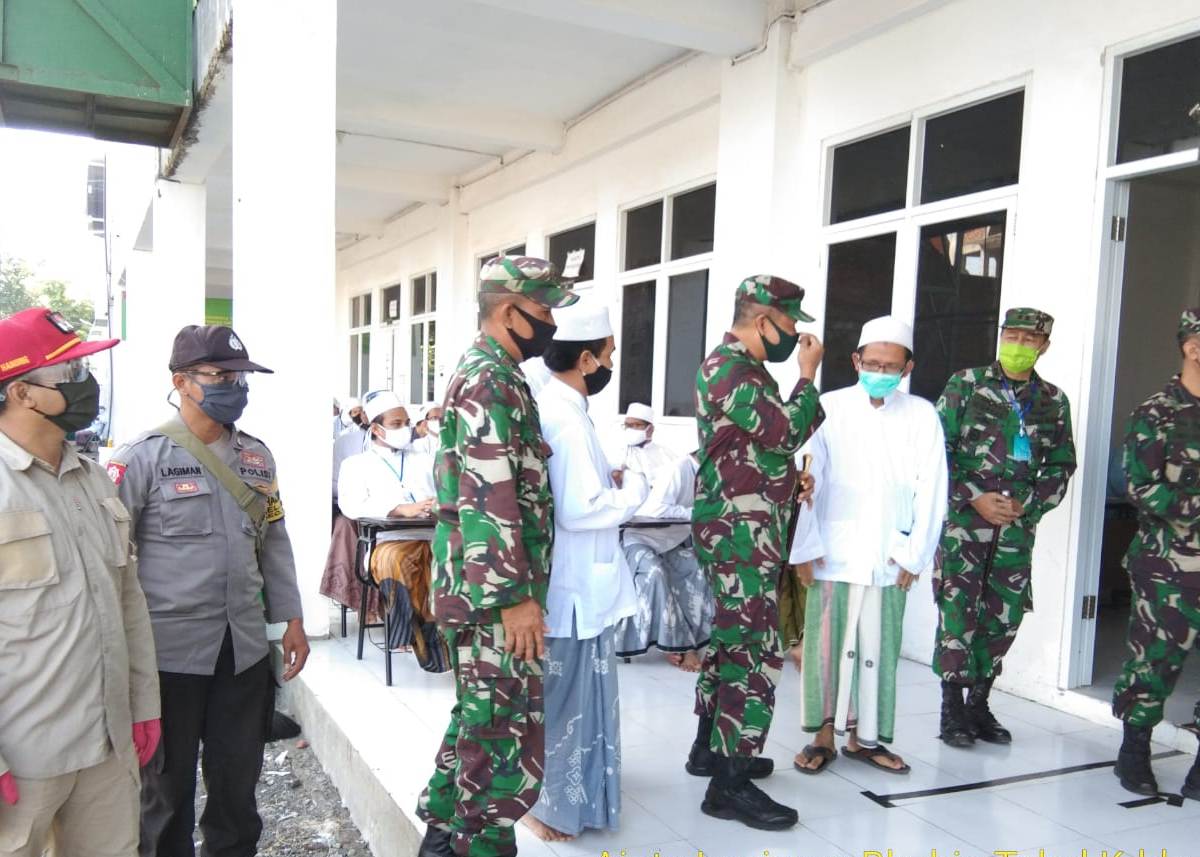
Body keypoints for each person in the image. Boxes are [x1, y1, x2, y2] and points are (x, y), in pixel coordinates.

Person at [108, 324, 310, 857]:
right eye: (220, 375)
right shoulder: (141, 458)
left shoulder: (257, 458)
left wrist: (291, 618)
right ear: (181, 381)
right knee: (165, 791)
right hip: (167, 656)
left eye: (240, 376)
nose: (234, 386)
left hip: (242, 652)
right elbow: (111, 559)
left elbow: (274, 541)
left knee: (237, 786)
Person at [415, 256, 578, 857]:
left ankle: (441, 837)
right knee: (500, 734)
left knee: (478, 716)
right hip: (494, 596)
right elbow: (489, 499)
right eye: (544, 310)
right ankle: (478, 845)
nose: (551, 323)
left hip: (484, 588)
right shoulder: (490, 380)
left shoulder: (499, 373)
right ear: (509, 311)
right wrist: (514, 601)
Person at [0, 308, 160, 857]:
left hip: (106, 745)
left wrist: (144, 703)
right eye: (70, 373)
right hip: (23, 757)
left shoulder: (92, 479)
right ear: (22, 392)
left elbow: (128, 602)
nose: (87, 384)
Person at [688, 275, 824, 831]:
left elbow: (758, 448)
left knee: (732, 640)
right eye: (790, 324)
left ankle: (709, 750)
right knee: (754, 651)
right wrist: (808, 377)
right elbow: (786, 431)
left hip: (744, 529)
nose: (796, 335)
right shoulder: (732, 370)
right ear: (763, 320)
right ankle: (730, 784)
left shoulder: (745, 369)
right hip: (738, 536)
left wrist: (786, 481)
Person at [790, 316, 947, 776]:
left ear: (907, 368)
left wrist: (916, 553)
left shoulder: (921, 414)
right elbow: (808, 477)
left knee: (879, 647)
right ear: (856, 361)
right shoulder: (829, 406)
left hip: (890, 553)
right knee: (826, 649)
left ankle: (865, 739)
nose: (880, 371)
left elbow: (933, 486)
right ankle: (823, 737)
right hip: (832, 550)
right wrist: (804, 546)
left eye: (890, 366)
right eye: (872, 363)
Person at [525, 301, 648, 842]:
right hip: (573, 587)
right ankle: (549, 807)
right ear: (586, 360)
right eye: (609, 354)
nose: (611, 363)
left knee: (578, 696)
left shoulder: (565, 409)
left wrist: (608, 482)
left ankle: (580, 798)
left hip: (577, 583)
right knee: (567, 701)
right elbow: (579, 510)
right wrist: (633, 492)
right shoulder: (567, 418)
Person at [933, 307, 1076, 748]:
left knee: (1003, 616)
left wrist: (1025, 506)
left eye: (1029, 339)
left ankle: (979, 703)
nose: (1018, 345)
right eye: (1012, 335)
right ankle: (952, 709)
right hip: (965, 526)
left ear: (1044, 346)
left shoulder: (1053, 401)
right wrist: (973, 495)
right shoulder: (965, 384)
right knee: (958, 614)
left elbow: (1061, 465)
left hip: (1015, 530)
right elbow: (936, 452)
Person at [1111, 307, 1200, 800]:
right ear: (1192, 347)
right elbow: (1141, 488)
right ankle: (1134, 750)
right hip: (1168, 566)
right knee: (1154, 662)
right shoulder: (1158, 412)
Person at [337, 390, 437, 653]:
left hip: (432, 537)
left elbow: (446, 495)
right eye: (396, 424)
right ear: (376, 429)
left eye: (406, 423)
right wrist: (399, 509)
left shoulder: (426, 460)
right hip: (387, 542)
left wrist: (436, 505)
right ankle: (410, 633)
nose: (405, 429)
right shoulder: (356, 465)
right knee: (395, 559)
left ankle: (438, 633)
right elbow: (351, 505)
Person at [615, 450, 713, 672]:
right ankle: (680, 645)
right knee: (656, 573)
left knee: (699, 569)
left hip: (670, 543)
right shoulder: (679, 469)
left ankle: (691, 641)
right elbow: (655, 508)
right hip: (638, 540)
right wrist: (696, 513)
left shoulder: (708, 472)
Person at [612, 402, 677, 479]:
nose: (630, 429)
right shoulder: (618, 453)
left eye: (636, 425)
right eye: (627, 425)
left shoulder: (665, 454)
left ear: (650, 429)